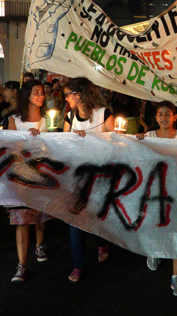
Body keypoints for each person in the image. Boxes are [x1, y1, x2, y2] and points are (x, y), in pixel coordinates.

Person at [62, 77, 114, 283]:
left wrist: (93, 140)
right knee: (75, 220)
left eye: (69, 93)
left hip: (101, 176)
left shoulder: (104, 114)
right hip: (77, 177)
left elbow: (117, 143)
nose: (66, 98)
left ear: (80, 94)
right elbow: (63, 144)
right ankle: (78, 264)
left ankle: (102, 242)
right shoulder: (69, 117)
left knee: (98, 214)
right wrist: (74, 140)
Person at [137, 101, 177, 296]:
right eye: (160, 114)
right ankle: (154, 251)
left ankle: (176, 276)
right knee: (153, 223)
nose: (164, 117)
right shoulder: (148, 136)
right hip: (153, 189)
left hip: (175, 188)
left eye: (168, 114)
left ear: (175, 117)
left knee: (175, 229)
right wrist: (138, 141)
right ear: (155, 117)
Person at [6, 79, 52, 283]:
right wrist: (26, 139)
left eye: (42, 92)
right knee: (22, 218)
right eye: (36, 92)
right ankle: (22, 264)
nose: (41, 95)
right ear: (27, 95)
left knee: (40, 214)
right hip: (21, 175)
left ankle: (39, 244)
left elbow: (57, 144)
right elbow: (9, 146)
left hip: (43, 173)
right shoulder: (15, 120)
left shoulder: (49, 119)